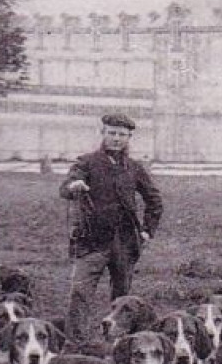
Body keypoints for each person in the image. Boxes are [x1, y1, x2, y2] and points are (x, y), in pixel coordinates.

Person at [60, 112, 163, 348]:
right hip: (91, 242)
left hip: (125, 244)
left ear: (128, 138)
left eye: (122, 135)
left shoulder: (135, 168)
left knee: (122, 299)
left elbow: (154, 200)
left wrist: (147, 231)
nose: (116, 139)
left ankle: (121, 344)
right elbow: (66, 186)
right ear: (103, 133)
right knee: (80, 292)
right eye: (112, 133)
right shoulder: (86, 163)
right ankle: (77, 343)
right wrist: (74, 185)